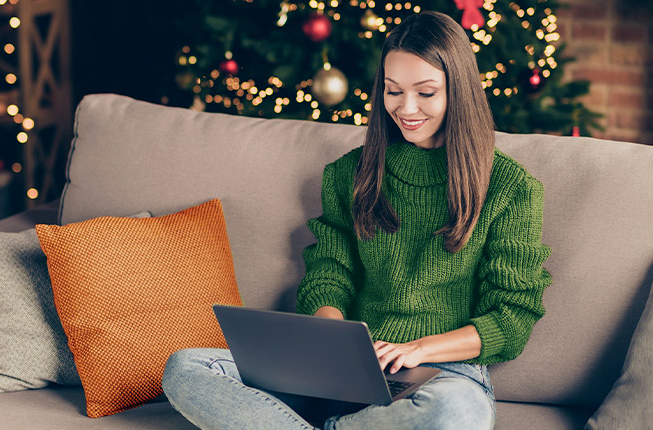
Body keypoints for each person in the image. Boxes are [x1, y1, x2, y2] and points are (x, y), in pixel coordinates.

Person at [162, 10, 552, 430]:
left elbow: (512, 318)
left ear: (459, 91)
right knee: (185, 367)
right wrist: (338, 344)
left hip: (442, 373)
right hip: (346, 369)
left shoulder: (511, 188)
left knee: (458, 413)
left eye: (426, 92)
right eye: (393, 90)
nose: (407, 108)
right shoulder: (352, 173)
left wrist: (419, 349)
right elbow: (330, 273)